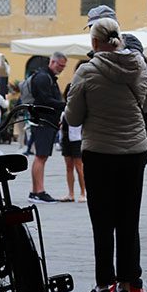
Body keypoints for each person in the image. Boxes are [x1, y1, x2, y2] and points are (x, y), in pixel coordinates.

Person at [66, 18, 147, 292]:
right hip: (134, 151)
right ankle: (127, 287)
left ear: (94, 42)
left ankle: (104, 286)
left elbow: (74, 118)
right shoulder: (138, 65)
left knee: (102, 221)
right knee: (129, 219)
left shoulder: (86, 72)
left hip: (100, 152)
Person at [27, 53, 67, 201]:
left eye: (63, 66)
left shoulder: (46, 76)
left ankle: (37, 191)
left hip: (45, 121)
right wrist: (64, 105)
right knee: (40, 156)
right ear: (52, 62)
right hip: (43, 121)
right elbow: (45, 100)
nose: (61, 69)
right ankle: (38, 191)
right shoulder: (44, 77)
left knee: (41, 156)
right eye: (60, 65)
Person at [60, 67, 86, 201]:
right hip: (66, 139)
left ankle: (83, 193)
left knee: (79, 167)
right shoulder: (64, 109)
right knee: (69, 167)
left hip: (77, 139)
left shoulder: (80, 107)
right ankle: (70, 193)